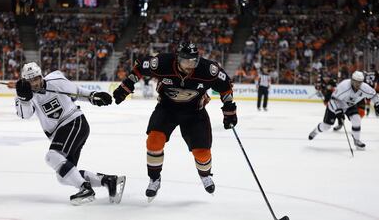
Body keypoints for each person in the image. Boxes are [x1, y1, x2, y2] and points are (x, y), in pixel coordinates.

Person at [113, 42, 237, 201]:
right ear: (178, 59)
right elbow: (139, 68)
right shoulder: (162, 63)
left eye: (193, 61)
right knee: (153, 142)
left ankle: (205, 175)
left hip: (195, 113)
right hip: (167, 109)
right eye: (186, 61)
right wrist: (125, 87)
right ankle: (154, 179)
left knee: (203, 153)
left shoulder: (208, 69)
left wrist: (229, 111)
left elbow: (226, 86)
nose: (190, 65)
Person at [14, 62, 126, 205]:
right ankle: (109, 181)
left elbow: (76, 92)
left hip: (74, 122)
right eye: (30, 81)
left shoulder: (55, 80)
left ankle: (85, 188)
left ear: (41, 75)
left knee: (52, 156)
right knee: (63, 176)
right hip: (62, 131)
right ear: (25, 81)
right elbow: (25, 115)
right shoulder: (24, 94)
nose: (34, 83)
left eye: (36, 78)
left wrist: (94, 96)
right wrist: (24, 99)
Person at [308, 71, 379, 150]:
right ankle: (316, 131)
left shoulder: (365, 87)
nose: (358, 85)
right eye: (356, 82)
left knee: (356, 119)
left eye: (360, 82)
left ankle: (357, 140)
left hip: (350, 105)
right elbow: (333, 100)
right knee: (326, 126)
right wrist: (337, 110)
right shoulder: (343, 86)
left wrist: (378, 104)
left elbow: (374, 95)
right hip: (335, 105)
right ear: (352, 80)